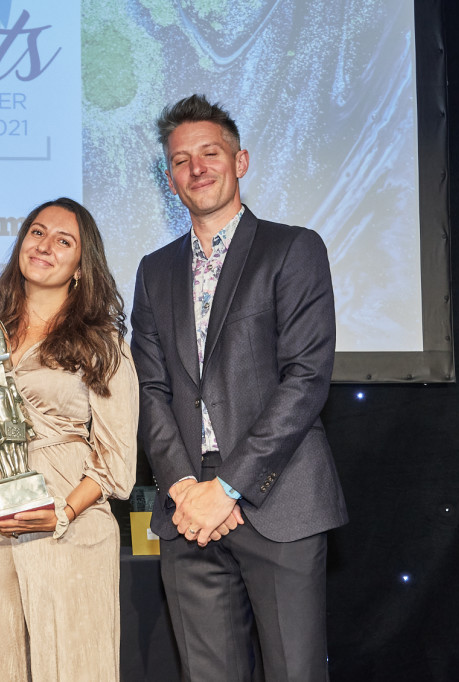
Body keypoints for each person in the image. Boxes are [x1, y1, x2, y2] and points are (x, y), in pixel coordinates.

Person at [131, 94, 348, 681]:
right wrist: (183, 486)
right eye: (181, 160)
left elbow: (305, 378)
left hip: (278, 499)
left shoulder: (293, 248)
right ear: (170, 177)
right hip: (186, 509)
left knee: (294, 672)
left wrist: (227, 487)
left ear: (240, 160)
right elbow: (148, 388)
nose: (197, 168)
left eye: (210, 153)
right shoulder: (154, 270)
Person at [0, 198, 138, 681]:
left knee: (75, 662)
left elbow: (117, 459)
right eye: (37, 233)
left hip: (68, 514)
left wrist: (61, 513)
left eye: (63, 240)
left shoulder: (101, 341)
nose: (45, 246)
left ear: (83, 267)